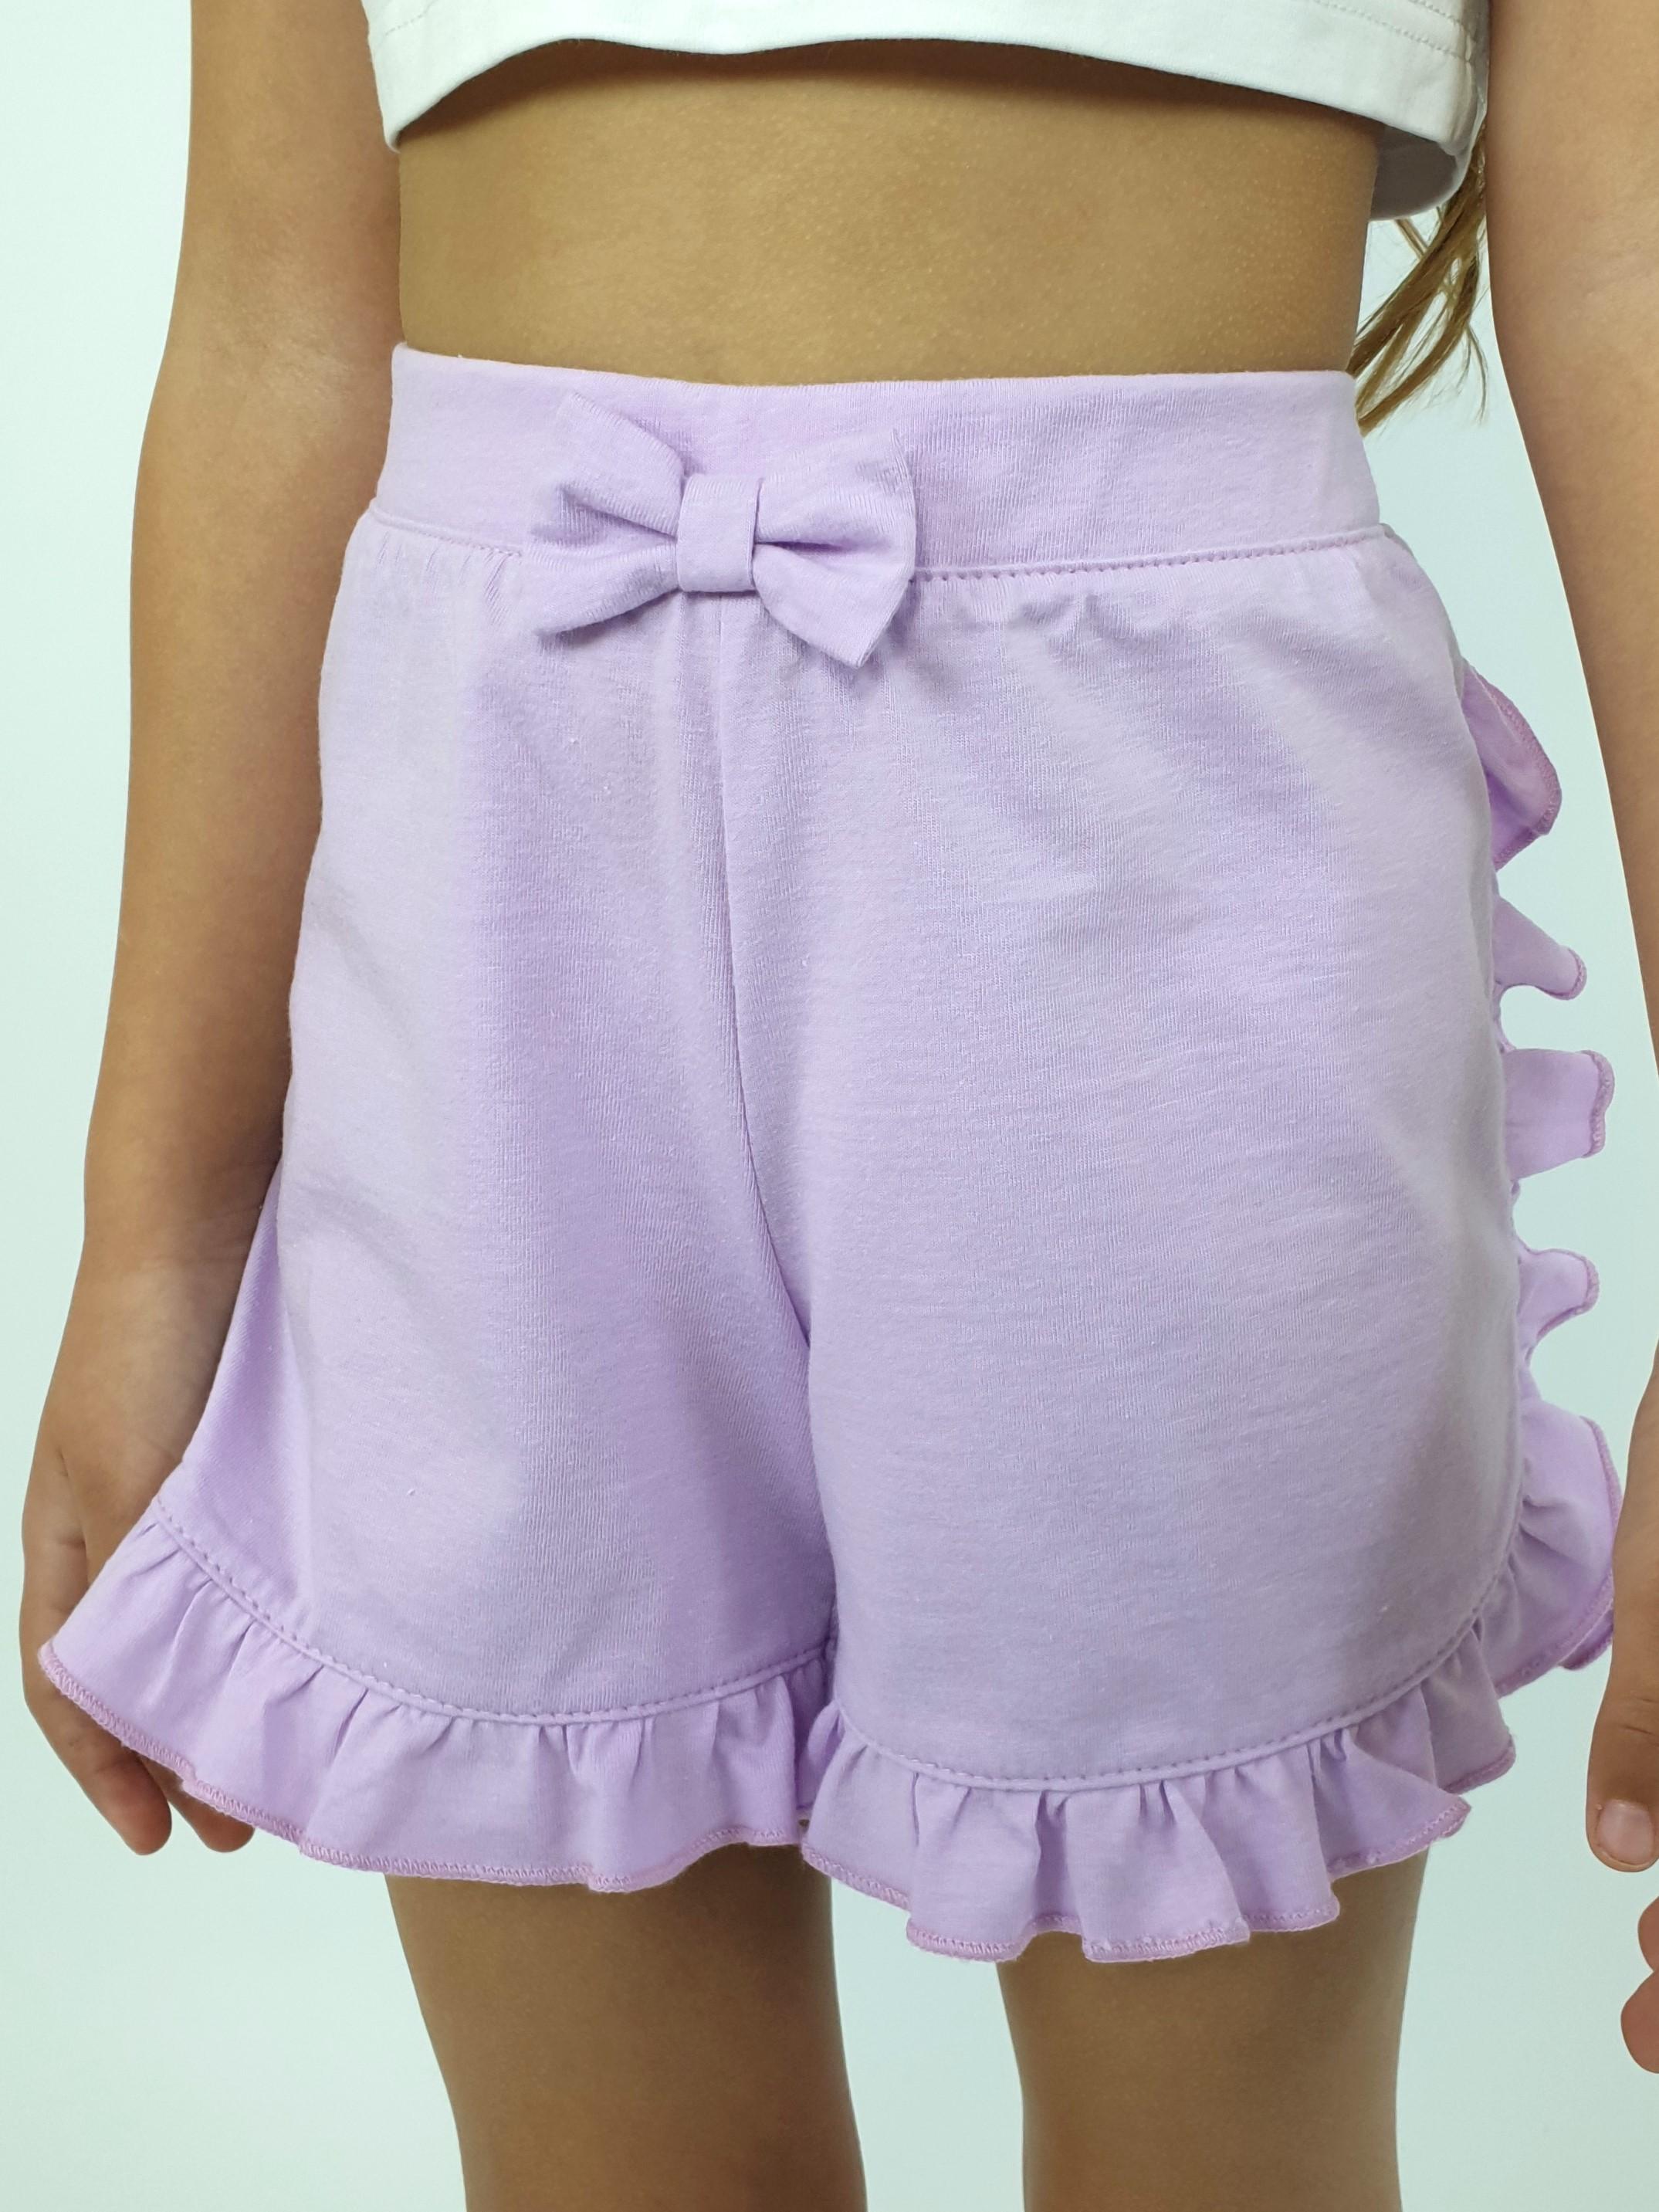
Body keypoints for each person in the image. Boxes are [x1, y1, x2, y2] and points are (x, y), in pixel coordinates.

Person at [17, 5, 1659, 2207]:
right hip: (485, 870)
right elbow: (277, 316)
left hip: (1161, 876)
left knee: (1217, 2157)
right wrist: (153, 1234)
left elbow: (1629, 270)